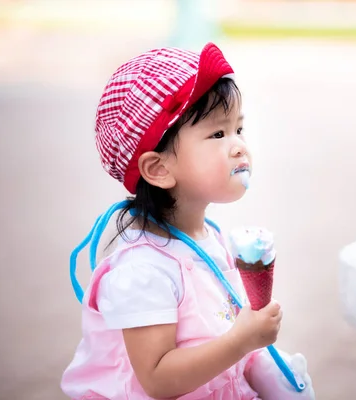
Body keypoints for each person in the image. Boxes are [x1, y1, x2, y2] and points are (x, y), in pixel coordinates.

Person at [61, 42, 315, 400]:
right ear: (159, 168)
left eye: (238, 130)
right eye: (217, 134)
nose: (239, 146)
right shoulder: (143, 271)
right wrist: (241, 341)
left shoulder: (210, 237)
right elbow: (158, 379)